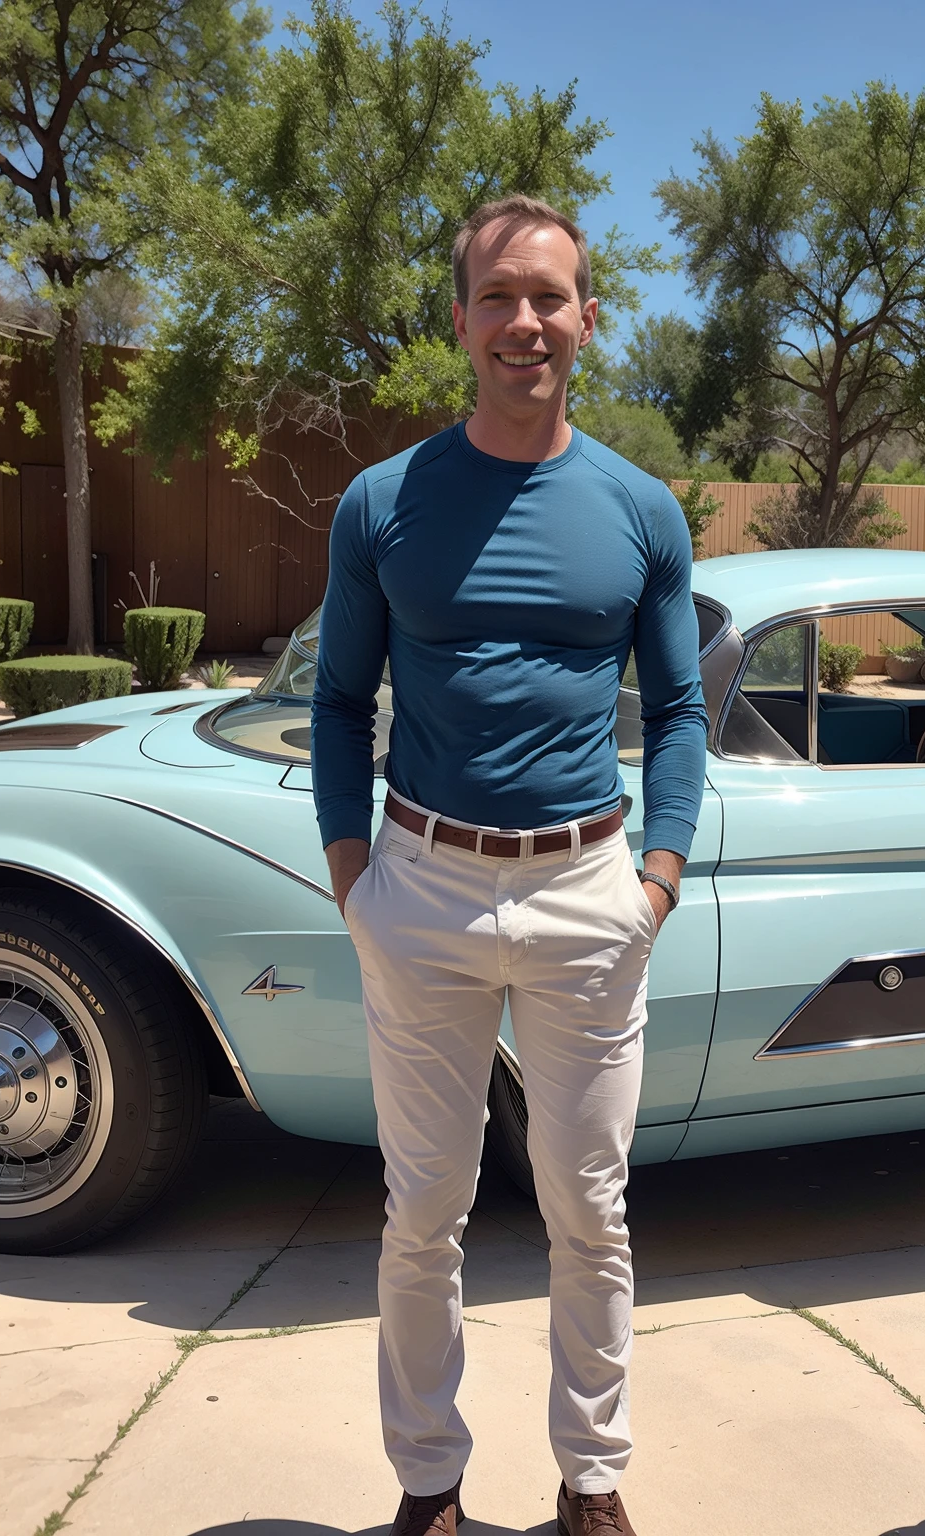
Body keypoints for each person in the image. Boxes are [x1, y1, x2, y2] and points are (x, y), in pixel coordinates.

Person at [310, 194, 707, 1536]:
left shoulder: (640, 510)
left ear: (587, 319)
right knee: (422, 1212)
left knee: (588, 1209)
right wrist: (353, 873)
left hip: (587, 888)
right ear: (463, 318)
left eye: (549, 298)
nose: (524, 323)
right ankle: (429, 1482)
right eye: (498, 298)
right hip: (419, 885)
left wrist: (656, 873)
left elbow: (683, 711)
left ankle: (593, 1480)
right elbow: (335, 701)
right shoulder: (383, 505)